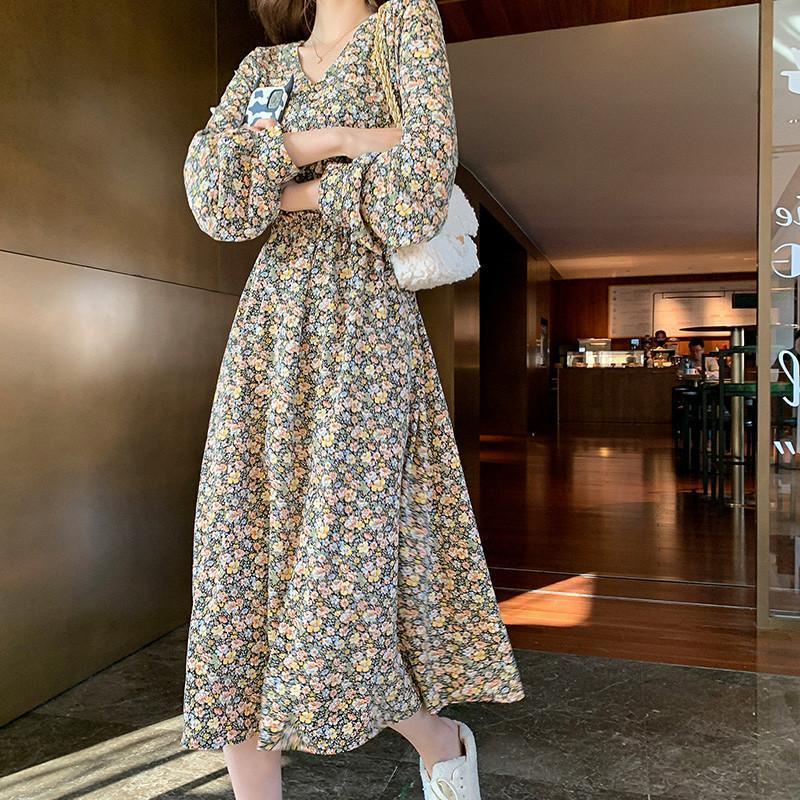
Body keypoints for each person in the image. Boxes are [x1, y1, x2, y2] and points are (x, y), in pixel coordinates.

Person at [179, 1, 525, 798]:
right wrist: (338, 141)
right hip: (270, 333)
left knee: (342, 576)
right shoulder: (263, 68)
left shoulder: (404, 26)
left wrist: (286, 186)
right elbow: (215, 198)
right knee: (240, 570)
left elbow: (415, 191)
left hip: (364, 327)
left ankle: (440, 739)